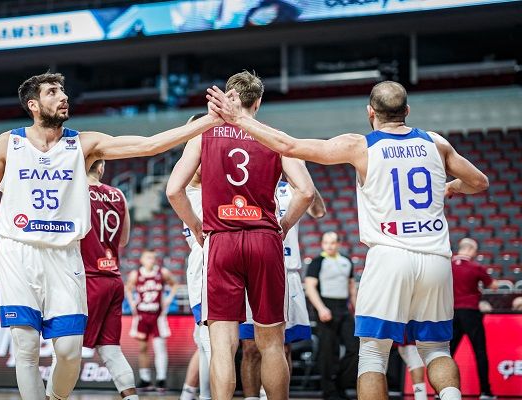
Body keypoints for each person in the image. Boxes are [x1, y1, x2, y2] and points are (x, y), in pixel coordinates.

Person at [0, 72, 222, 400]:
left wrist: (209, 121)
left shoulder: (83, 144)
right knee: (26, 347)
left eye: (63, 91)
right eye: (52, 92)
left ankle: (56, 396)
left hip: (64, 255)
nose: (63, 96)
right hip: (18, 251)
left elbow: (149, 145)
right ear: (33, 105)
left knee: (69, 350)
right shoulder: (9, 143)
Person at [207, 80, 489, 400]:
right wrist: (452, 187)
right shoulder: (436, 143)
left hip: (389, 255)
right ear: (407, 111)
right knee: (436, 348)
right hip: (436, 257)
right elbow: (479, 182)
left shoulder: (360, 145)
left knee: (372, 354)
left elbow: (288, 146)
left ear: (370, 112)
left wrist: (239, 118)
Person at [167, 71, 317, 400]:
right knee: (272, 343)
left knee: (223, 345)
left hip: (221, 239)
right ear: (258, 103)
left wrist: (196, 225)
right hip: (265, 239)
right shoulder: (274, 137)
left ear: (229, 97)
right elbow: (306, 191)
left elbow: (173, 190)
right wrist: (284, 225)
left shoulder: (203, 135)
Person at [46, 159, 137, 400]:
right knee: (111, 350)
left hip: (87, 279)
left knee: (63, 351)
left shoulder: (74, 192)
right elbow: (123, 240)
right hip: (113, 279)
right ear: (101, 167)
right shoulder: (118, 194)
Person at [239, 179, 325, 400]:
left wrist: (303, 174)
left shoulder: (294, 187)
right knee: (250, 347)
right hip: (253, 270)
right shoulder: (246, 183)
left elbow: (318, 211)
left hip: (288, 271)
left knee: (283, 347)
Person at [179, 112, 211, 400]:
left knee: (209, 341)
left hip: (225, 257)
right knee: (208, 340)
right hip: (203, 262)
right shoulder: (192, 176)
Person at [304, 231, 358, 400]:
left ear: (339, 244)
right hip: (326, 307)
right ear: (322, 244)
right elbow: (310, 287)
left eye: (333, 242)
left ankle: (340, 385)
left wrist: (357, 311)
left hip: (344, 308)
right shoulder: (317, 262)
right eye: (326, 242)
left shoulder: (346, 261)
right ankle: (329, 392)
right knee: (328, 351)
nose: (329, 245)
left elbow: (351, 288)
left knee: (355, 348)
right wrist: (321, 309)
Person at [450, 238, 498, 400]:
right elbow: (493, 285)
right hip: (470, 312)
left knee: (448, 353)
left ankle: (442, 391)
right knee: (480, 352)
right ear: (471, 250)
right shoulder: (475, 267)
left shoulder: (447, 266)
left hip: (451, 313)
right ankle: (485, 392)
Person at [126, 249, 179, 391]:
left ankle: (161, 379)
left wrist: (168, 299)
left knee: (159, 347)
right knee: (142, 348)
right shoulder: (135, 274)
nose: (151, 260)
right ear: (142, 260)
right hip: (142, 315)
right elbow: (128, 288)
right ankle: (145, 380)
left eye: (153, 257)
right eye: (148, 257)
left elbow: (174, 284)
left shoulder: (162, 272)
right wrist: (132, 303)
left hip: (158, 315)